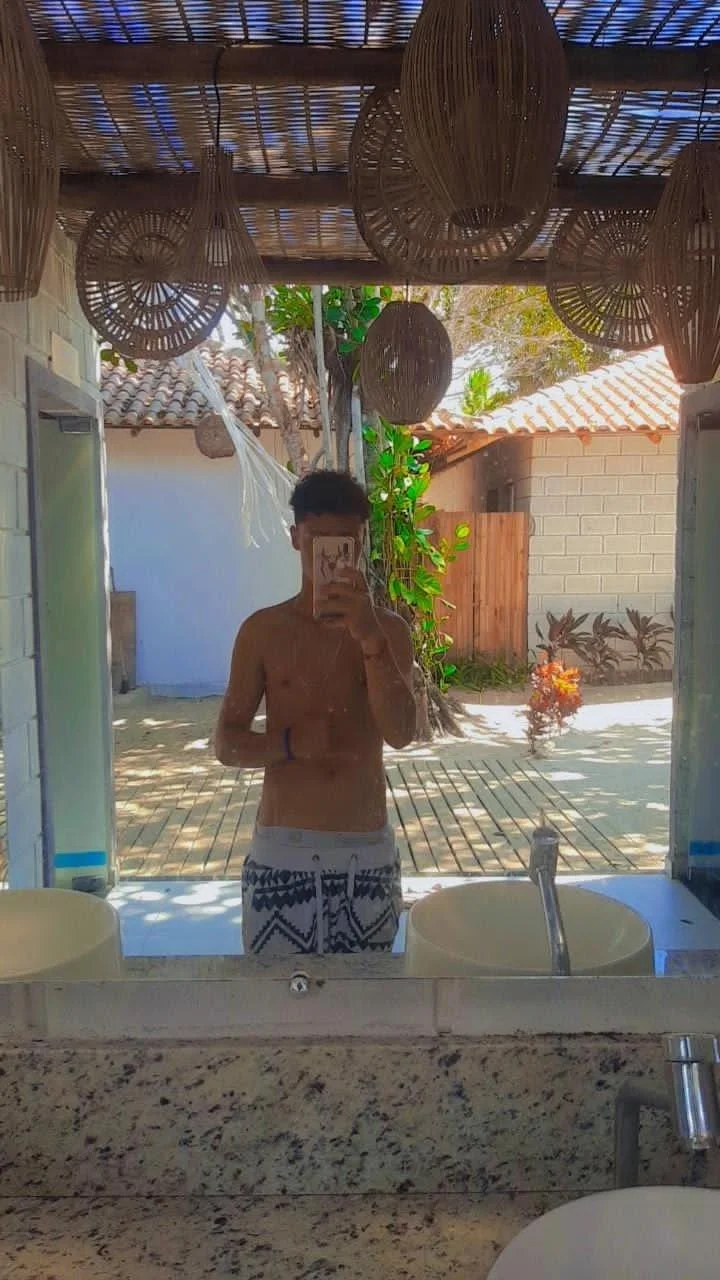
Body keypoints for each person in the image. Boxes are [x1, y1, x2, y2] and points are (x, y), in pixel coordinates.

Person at [215, 469, 417, 956]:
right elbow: (227, 744)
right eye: (318, 542)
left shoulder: (389, 631)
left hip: (364, 853)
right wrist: (287, 744)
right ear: (295, 539)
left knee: (367, 999)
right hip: (282, 850)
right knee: (276, 998)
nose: (330, 557)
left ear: (361, 543)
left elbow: (401, 732)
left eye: (344, 544)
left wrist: (370, 640)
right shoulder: (263, 631)